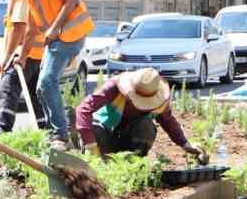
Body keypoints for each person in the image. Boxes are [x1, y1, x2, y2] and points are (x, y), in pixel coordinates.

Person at [0, 0, 94, 138]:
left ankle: (60, 134)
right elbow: (31, 26)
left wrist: (55, 29)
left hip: (71, 35)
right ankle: (54, 129)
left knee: (47, 83)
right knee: (41, 88)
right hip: (56, 41)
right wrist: (22, 57)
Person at [75, 67, 205, 161]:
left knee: (146, 126)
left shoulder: (159, 100)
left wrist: (186, 144)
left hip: (131, 140)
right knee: (96, 130)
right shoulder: (114, 86)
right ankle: (99, 164)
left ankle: (132, 164)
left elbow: (168, 121)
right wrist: (90, 144)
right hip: (105, 135)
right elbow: (83, 109)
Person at [0, 0, 47, 134]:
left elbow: (19, 27)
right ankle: (45, 130)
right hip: (36, 54)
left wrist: (6, 58)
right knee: (35, 96)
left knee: (8, 88)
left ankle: (1, 130)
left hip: (23, 55)